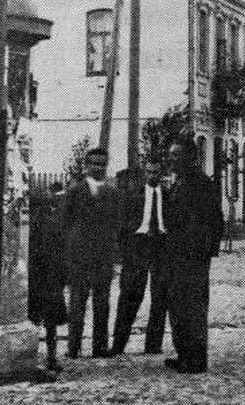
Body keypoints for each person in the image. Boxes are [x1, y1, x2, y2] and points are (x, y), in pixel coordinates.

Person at [163, 138, 223, 374]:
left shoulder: (200, 183)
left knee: (194, 307)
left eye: (176, 155)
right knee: (178, 305)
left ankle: (196, 359)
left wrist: (206, 250)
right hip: (177, 254)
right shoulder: (179, 182)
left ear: (191, 157)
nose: (171, 159)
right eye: (171, 155)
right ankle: (184, 354)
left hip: (193, 256)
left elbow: (215, 219)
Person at [63, 147, 121, 358]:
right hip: (79, 256)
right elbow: (65, 223)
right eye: (94, 163)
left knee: (102, 302)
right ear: (86, 166)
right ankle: (73, 347)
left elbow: (116, 224)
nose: (98, 168)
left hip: (103, 256)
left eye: (102, 164)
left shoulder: (112, 193)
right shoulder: (75, 191)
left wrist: (113, 255)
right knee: (77, 301)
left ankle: (100, 347)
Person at [110, 156, 170, 356]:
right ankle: (118, 344)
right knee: (130, 296)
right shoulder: (133, 195)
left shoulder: (169, 196)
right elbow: (121, 225)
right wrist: (125, 251)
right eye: (149, 172)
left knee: (160, 297)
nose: (152, 176)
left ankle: (153, 345)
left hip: (161, 246)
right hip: (138, 246)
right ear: (145, 173)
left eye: (156, 172)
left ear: (161, 173)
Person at [28, 181, 68, 375]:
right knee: (50, 323)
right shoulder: (51, 223)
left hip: (39, 278)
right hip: (49, 279)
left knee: (39, 320)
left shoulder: (34, 224)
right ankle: (50, 359)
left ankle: (44, 358)